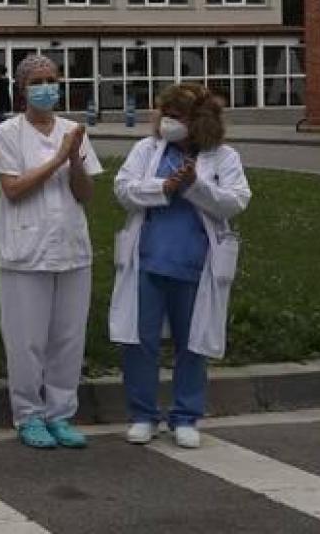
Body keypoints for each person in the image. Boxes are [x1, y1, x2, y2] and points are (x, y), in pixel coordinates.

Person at [109, 83, 251, 449]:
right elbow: (123, 190)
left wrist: (195, 188)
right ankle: (143, 414)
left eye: (179, 116)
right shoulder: (148, 150)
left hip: (196, 264)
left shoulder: (223, 157)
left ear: (199, 121)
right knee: (140, 341)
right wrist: (165, 188)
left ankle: (186, 415)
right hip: (148, 260)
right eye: (166, 115)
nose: (170, 123)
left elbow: (235, 201)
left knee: (194, 342)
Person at [0, 54, 102, 450]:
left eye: (52, 78)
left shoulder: (74, 131)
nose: (47, 86)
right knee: (26, 339)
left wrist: (73, 159)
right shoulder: (8, 132)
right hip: (26, 249)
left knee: (68, 338)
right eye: (38, 80)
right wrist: (58, 157)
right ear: (22, 89)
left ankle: (60, 414)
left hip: (71, 247)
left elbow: (85, 192)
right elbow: (13, 189)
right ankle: (28, 415)